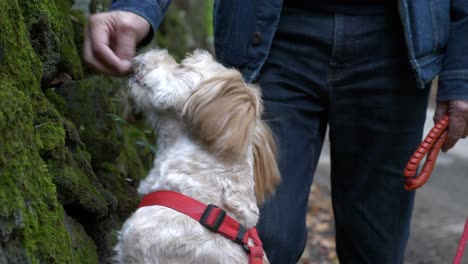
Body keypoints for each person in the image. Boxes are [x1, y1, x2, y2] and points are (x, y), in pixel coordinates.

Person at [84, 1, 468, 263]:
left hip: (395, 48)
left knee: (377, 250)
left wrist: (462, 74)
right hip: (272, 39)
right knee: (267, 238)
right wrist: (139, 6)